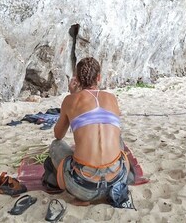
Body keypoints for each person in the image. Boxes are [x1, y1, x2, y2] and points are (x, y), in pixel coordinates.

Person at [47, 57, 131, 206]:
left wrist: (73, 95)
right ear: (98, 77)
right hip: (117, 180)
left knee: (55, 145)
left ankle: (82, 197)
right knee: (118, 138)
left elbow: (58, 135)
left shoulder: (70, 100)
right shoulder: (112, 98)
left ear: (77, 79)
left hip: (83, 187)